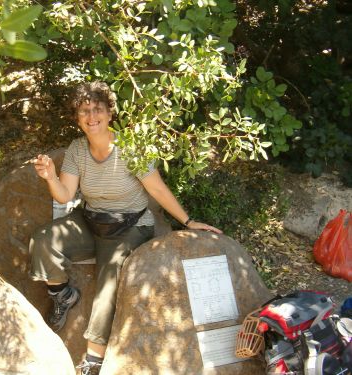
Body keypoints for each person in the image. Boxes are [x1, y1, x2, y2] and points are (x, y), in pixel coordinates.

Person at [29, 81, 221, 375]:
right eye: (84, 111)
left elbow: (157, 189)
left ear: (110, 113)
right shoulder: (78, 149)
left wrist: (188, 221)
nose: (91, 117)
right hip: (91, 219)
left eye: (97, 110)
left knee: (108, 284)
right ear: (76, 117)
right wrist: (51, 177)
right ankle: (63, 295)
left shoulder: (129, 146)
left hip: (129, 225)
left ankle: (93, 359)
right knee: (44, 240)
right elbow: (66, 195)